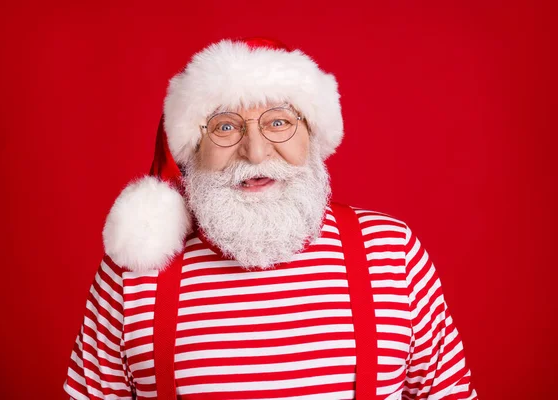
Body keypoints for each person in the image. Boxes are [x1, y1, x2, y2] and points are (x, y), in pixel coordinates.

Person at [64, 37, 478, 400]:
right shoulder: (136, 269)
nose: (256, 153)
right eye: (225, 128)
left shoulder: (391, 253)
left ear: (313, 134)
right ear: (192, 151)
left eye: (278, 122)